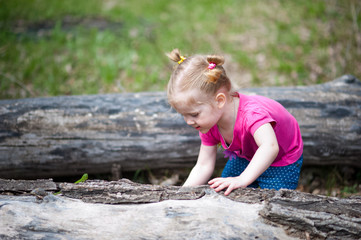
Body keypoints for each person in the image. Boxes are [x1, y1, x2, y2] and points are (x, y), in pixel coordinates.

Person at [166, 49, 303, 196]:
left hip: (281, 158)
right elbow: (203, 165)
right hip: (246, 155)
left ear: (219, 100)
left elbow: (270, 147)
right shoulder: (208, 123)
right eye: (183, 115)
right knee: (225, 192)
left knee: (271, 200)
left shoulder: (252, 115)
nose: (188, 121)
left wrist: (242, 179)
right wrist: (180, 194)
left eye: (193, 114)